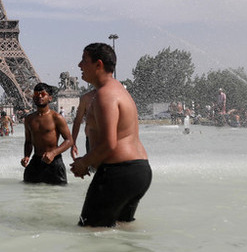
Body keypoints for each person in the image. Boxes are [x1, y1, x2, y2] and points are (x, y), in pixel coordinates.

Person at [69, 42, 151, 227]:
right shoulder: (120, 91)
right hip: (139, 171)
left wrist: (84, 163)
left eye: (84, 60)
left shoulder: (105, 94)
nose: (79, 65)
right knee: (121, 229)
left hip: (118, 172)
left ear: (98, 64)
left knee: (90, 232)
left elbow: (109, 143)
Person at [21, 83, 73, 185]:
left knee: (57, 195)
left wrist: (53, 153)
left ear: (50, 98)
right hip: (36, 160)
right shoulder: (29, 119)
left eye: (43, 94)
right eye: (36, 94)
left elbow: (69, 140)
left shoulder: (56, 118)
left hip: (54, 161)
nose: (39, 97)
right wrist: (26, 156)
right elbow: (28, 141)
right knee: (28, 191)